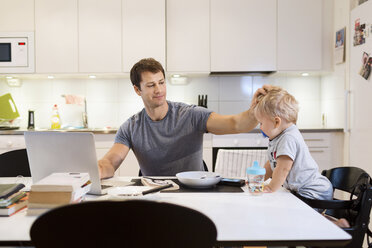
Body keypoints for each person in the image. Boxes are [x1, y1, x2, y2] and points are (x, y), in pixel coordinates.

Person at [98, 58, 267, 178]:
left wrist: (255, 111)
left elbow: (236, 124)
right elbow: (111, 162)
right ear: (137, 90)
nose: (159, 89)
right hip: (155, 196)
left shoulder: (190, 115)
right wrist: (97, 170)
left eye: (162, 82)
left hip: (194, 193)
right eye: (151, 85)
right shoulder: (130, 127)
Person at [254, 86, 350, 228]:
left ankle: (335, 226)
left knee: (297, 214)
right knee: (298, 213)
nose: (260, 127)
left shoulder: (288, 138)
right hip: (305, 188)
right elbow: (272, 163)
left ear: (276, 122)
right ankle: (334, 223)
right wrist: (259, 180)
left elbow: (283, 168)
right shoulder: (279, 137)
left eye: (261, 123)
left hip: (313, 190)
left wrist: (270, 187)